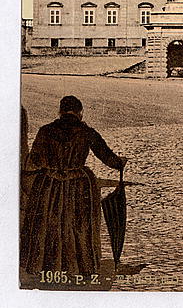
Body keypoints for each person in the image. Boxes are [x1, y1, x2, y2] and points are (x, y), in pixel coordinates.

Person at [21, 96, 126, 278]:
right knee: (79, 226)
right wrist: (120, 162)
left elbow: (34, 162)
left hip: (49, 186)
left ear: (60, 112)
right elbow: (108, 157)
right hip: (79, 186)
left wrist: (51, 167)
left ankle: (47, 266)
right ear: (80, 112)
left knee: (49, 224)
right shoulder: (87, 132)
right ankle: (79, 267)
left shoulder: (45, 131)